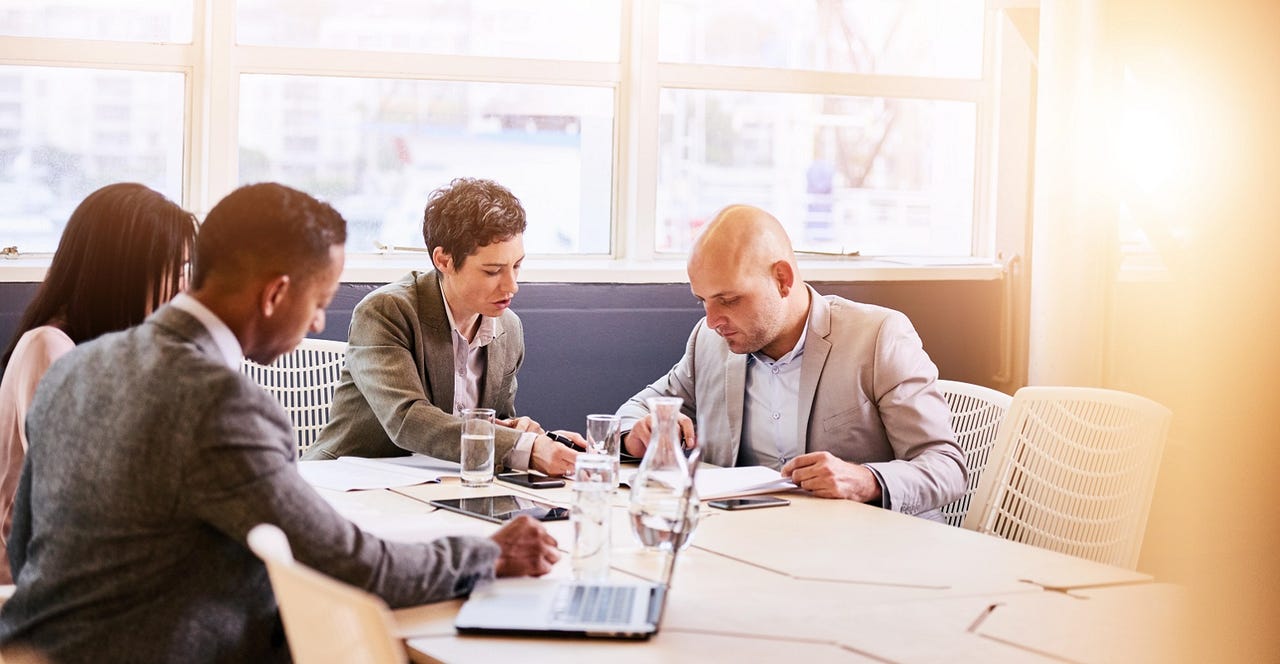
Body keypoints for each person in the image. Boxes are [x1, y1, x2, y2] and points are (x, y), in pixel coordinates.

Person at [0, 183, 561, 662]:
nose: (318, 321)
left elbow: (27, 550)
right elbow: (349, 564)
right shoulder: (222, 402)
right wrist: (488, 553)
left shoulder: (78, 365)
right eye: (319, 301)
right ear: (275, 294)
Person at [616, 205, 966, 521]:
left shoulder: (878, 337)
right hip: (755, 546)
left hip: (871, 552)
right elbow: (634, 412)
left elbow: (946, 467)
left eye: (729, 299)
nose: (712, 320)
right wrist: (636, 435)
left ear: (782, 279)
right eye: (702, 301)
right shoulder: (709, 342)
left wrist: (867, 480)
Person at [304, 177, 580, 476]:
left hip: (441, 484)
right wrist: (521, 447)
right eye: (492, 271)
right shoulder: (385, 312)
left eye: (516, 266)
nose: (512, 285)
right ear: (443, 260)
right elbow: (408, 419)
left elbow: (494, 424)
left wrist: (522, 433)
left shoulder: (508, 328)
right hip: (348, 479)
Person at [0, 183, 197, 584]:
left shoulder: (112, 349)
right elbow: (83, 491)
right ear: (125, 272)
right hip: (28, 585)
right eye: (177, 273)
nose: (185, 290)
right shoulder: (49, 346)